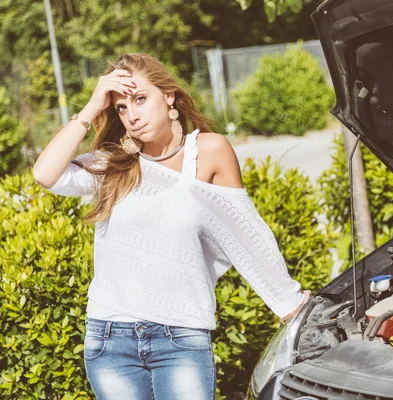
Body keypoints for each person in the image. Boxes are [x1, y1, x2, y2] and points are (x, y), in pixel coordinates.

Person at [32, 52, 312, 400]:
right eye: (121, 107)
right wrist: (91, 108)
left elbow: (246, 233)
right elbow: (45, 174)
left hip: (180, 337)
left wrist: (290, 303)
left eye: (140, 99)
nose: (132, 115)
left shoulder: (208, 151)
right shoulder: (114, 163)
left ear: (169, 97)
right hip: (109, 338)